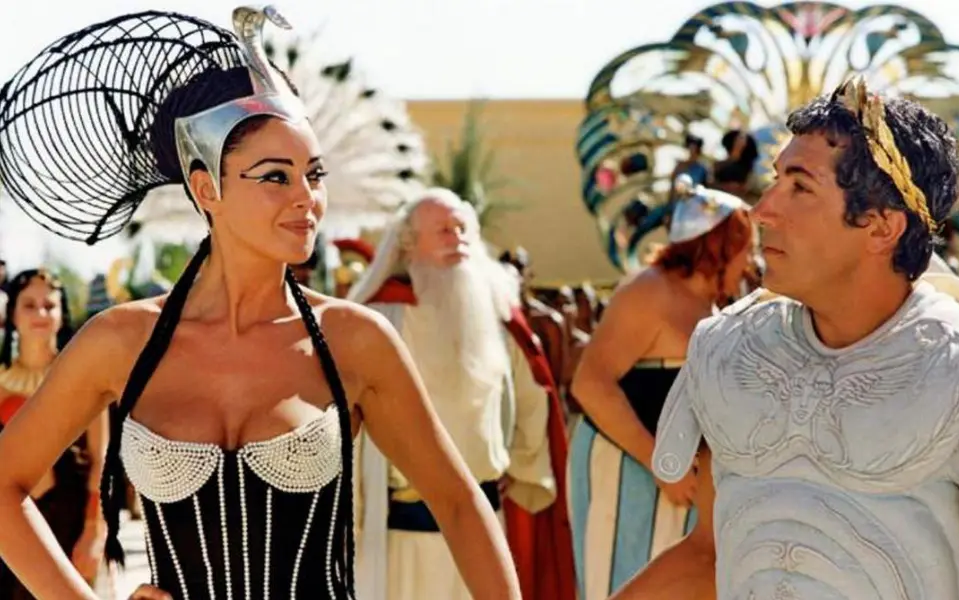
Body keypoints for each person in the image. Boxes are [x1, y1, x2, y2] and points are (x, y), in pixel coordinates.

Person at [0, 7, 520, 600]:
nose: (306, 198)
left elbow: (459, 503)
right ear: (206, 188)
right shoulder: (120, 340)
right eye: (275, 176)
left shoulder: (354, 339)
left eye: (314, 175)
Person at [640, 77, 959, 599]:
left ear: (882, 227)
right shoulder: (731, 351)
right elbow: (709, 553)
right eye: (776, 180)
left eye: (800, 187)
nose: (762, 211)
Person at [348, 188, 575, 600]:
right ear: (409, 244)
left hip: (486, 528)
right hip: (405, 535)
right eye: (443, 230)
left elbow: (530, 398)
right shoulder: (382, 319)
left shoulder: (497, 316)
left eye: (462, 228)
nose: (457, 238)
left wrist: (520, 467)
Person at [569, 183, 753, 599]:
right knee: (620, 580)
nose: (749, 263)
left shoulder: (713, 308)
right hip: (625, 470)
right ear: (721, 246)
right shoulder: (650, 291)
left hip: (680, 486)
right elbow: (590, 384)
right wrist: (659, 462)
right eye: (746, 249)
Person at [0, 269, 114, 600]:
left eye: (49, 305)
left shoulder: (83, 379)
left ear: (62, 313)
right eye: (29, 305)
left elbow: (102, 460)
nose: (40, 313)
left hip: (71, 520)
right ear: (13, 315)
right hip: (9, 530)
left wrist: (95, 531)